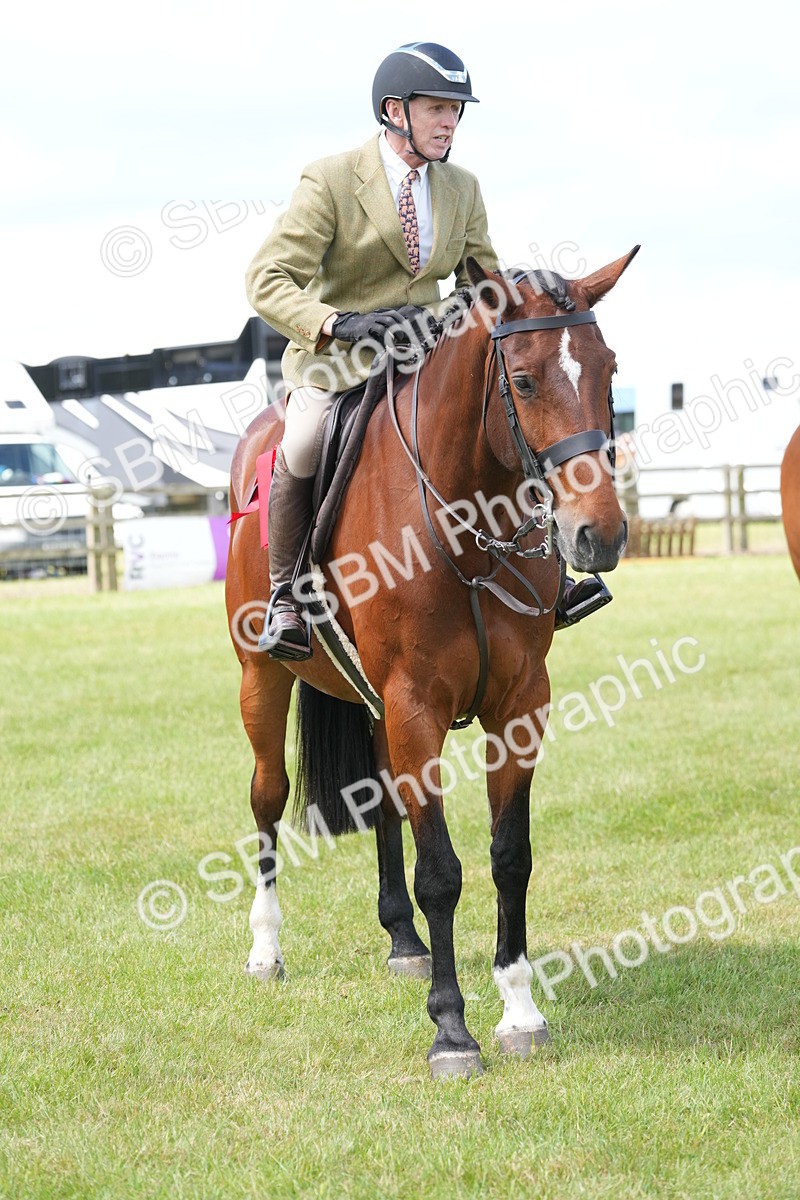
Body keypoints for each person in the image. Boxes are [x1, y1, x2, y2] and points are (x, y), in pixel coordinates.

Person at [245, 41, 608, 660]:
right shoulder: (330, 180)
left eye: (456, 111)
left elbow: (483, 287)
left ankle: (553, 575)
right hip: (340, 362)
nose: (450, 123)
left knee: (513, 428)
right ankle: (286, 596)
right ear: (395, 111)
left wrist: (533, 306)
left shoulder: (461, 188)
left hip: (429, 359)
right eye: (438, 109)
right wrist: (339, 323)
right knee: (301, 439)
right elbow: (267, 280)